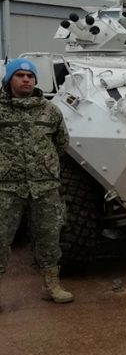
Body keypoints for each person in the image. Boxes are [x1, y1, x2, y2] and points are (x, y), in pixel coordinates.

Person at [0, 58, 73, 309]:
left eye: (30, 76)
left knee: (49, 236)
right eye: (20, 75)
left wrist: (46, 168)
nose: (26, 80)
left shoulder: (50, 110)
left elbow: (62, 143)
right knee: (1, 239)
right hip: (6, 188)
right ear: (9, 79)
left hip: (44, 187)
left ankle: (51, 284)